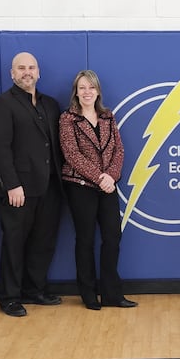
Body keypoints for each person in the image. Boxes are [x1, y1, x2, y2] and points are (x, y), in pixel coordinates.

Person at [0, 52, 64, 317]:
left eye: (31, 67)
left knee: (43, 242)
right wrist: (12, 184)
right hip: (18, 189)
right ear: (12, 73)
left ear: (38, 72)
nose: (27, 72)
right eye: (21, 68)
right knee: (14, 244)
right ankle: (9, 297)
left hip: (50, 186)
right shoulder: (3, 103)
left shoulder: (50, 104)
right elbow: (0, 148)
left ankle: (35, 290)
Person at [60, 70, 137, 310]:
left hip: (108, 186)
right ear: (76, 92)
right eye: (82, 88)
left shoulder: (107, 116)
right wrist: (99, 177)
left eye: (91, 87)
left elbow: (119, 150)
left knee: (112, 237)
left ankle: (112, 293)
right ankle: (89, 294)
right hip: (80, 186)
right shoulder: (68, 119)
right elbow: (72, 154)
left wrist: (111, 176)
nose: (87, 92)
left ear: (98, 91)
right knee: (85, 240)